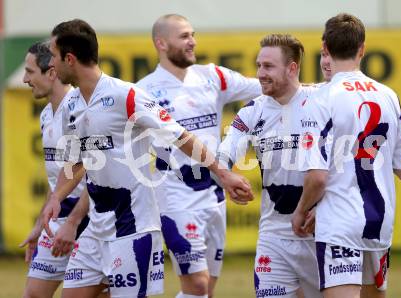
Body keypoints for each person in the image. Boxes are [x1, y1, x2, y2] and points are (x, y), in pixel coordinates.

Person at [41, 19, 253, 298]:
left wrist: (222, 174)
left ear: (69, 59)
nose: (51, 66)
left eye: (54, 57)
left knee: (201, 288)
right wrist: (57, 196)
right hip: (96, 228)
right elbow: (80, 160)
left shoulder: (125, 95)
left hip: (132, 227)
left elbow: (179, 136)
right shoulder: (71, 104)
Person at [136, 14, 261, 298]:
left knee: (207, 290)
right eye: (183, 36)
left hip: (215, 194)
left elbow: (266, 87)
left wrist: (317, 89)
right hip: (175, 193)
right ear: (161, 43)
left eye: (192, 34)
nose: (192, 41)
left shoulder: (212, 76)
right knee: (197, 285)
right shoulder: (144, 91)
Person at [291, 13, 401, 298]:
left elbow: (318, 177)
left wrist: (301, 211)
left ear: (325, 49)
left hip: (339, 222)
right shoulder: (388, 95)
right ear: (362, 49)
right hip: (378, 222)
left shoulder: (320, 98)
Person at [217, 34, 322, 298]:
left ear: (292, 68)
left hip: (321, 233)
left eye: (268, 66)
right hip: (274, 236)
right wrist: (226, 176)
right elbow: (223, 155)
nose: (260, 74)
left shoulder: (323, 102)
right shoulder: (252, 111)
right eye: (259, 65)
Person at [20, 41, 89, 298]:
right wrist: (41, 224)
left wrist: (74, 221)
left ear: (51, 72)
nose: (26, 79)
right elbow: (56, 181)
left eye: (30, 72)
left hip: (90, 218)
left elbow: (92, 169)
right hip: (59, 218)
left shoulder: (81, 110)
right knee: (34, 293)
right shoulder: (47, 114)